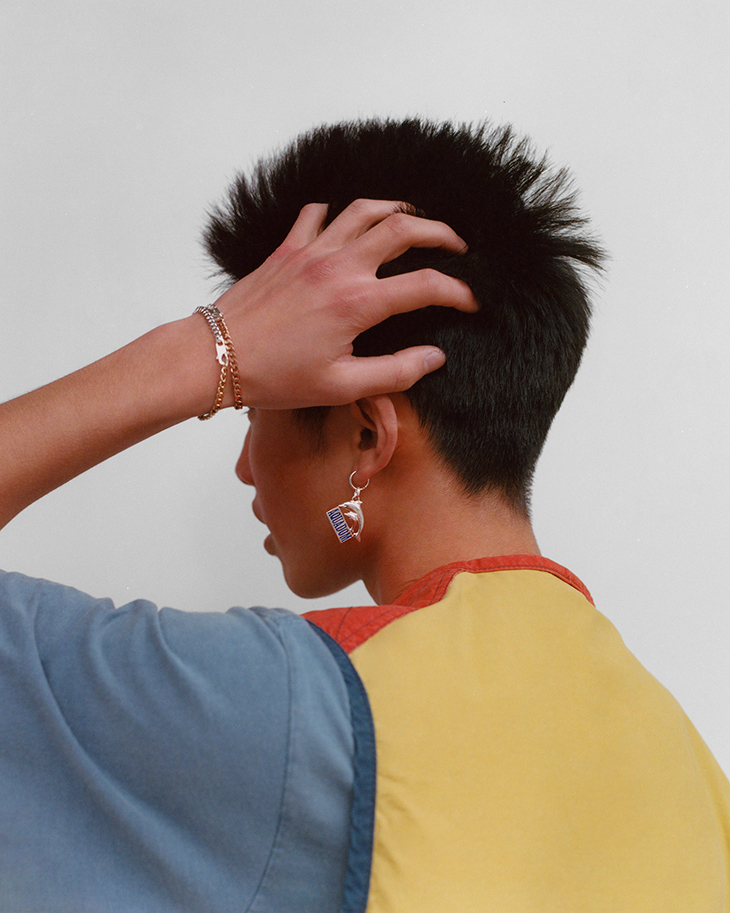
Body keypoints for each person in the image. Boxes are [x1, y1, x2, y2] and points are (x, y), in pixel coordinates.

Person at [0, 118, 727, 912]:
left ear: (367, 436)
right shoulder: (690, 766)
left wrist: (212, 350)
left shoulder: (290, 704)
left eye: (250, 409)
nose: (244, 464)